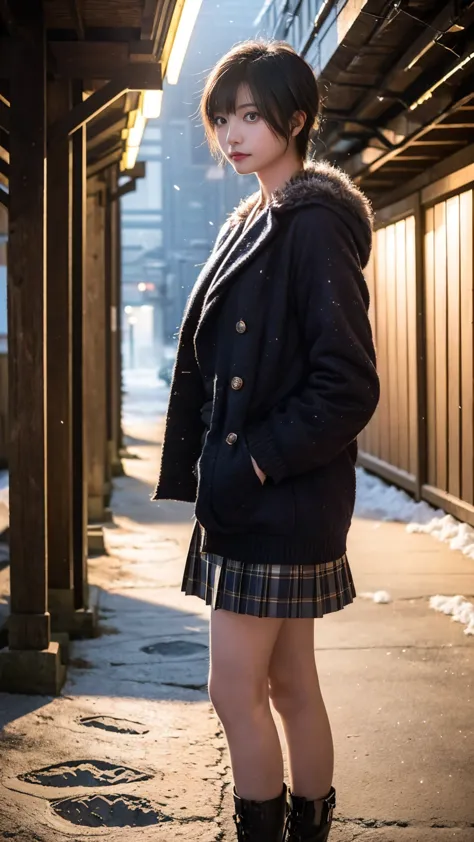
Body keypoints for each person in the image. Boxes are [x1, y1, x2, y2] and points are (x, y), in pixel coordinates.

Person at [152, 39, 380, 842]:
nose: (233, 133)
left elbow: (346, 384)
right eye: (223, 117)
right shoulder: (259, 217)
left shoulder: (308, 226)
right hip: (268, 501)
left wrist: (250, 460)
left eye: (252, 115)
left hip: (271, 500)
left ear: (297, 118)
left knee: (234, 690)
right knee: (287, 686)